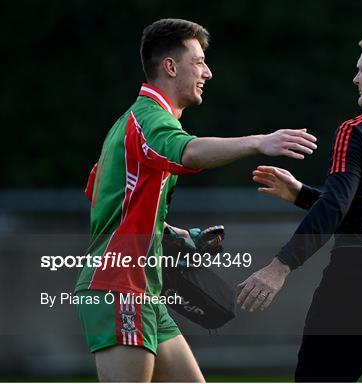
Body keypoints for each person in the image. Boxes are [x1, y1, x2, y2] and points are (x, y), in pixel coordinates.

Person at [74, 18, 317, 382]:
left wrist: (168, 233)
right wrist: (259, 142)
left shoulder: (135, 122)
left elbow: (105, 198)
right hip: (120, 284)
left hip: (145, 288)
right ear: (170, 66)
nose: (208, 72)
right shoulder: (148, 119)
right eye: (199, 61)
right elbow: (188, 152)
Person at [237, 31, 362, 382]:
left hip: (356, 289)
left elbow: (336, 205)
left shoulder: (357, 129)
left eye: (361, 69)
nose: (355, 77)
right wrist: (300, 193)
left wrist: (279, 267)